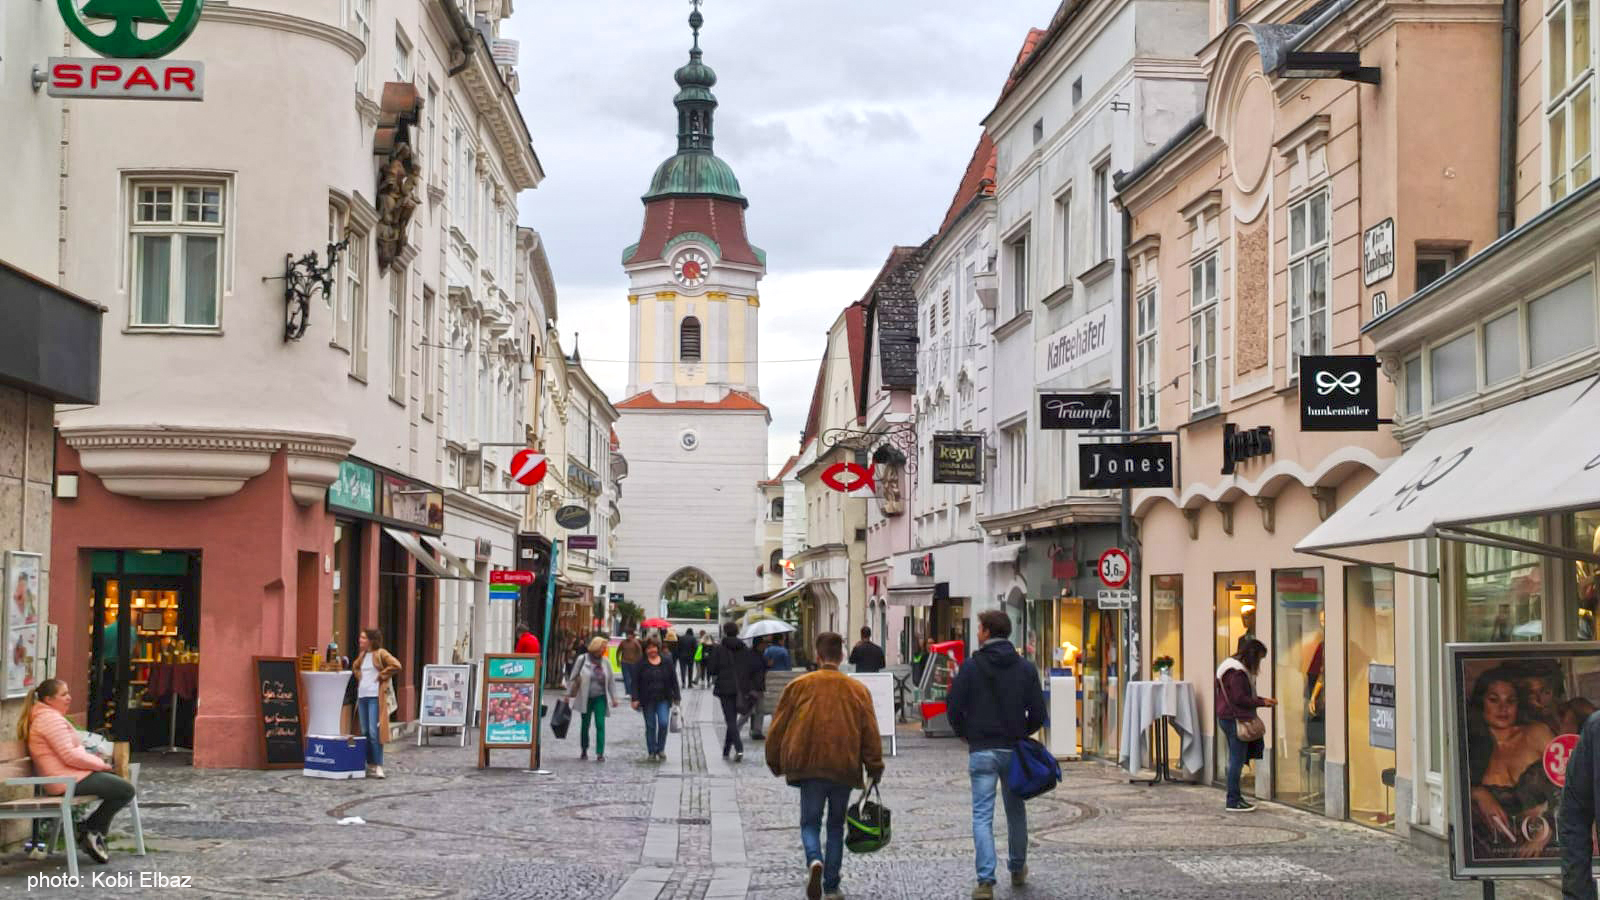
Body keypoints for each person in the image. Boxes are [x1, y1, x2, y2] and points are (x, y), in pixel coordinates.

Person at [765, 631, 884, 900]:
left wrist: (775, 759)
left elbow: (778, 727)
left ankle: (814, 860)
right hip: (843, 766)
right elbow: (870, 732)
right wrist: (874, 766)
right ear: (842, 657)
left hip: (809, 766)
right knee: (835, 826)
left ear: (818, 656)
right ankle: (831, 886)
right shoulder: (857, 690)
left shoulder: (799, 686)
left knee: (809, 822)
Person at [947, 610, 1046, 900]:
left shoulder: (970, 667)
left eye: (979, 628)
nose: (977, 633)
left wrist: (966, 732)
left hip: (982, 749)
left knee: (981, 815)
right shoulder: (1025, 668)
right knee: (1016, 811)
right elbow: (1039, 713)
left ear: (988, 632)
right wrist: (1021, 731)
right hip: (1014, 748)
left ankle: (985, 881)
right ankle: (1017, 867)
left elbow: (953, 707)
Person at [19, 679, 137, 864]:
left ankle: (91, 829)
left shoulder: (50, 717)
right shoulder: (49, 720)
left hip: (69, 777)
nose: (69, 698)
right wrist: (101, 765)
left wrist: (96, 764)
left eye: (68, 693)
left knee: (119, 786)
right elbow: (70, 755)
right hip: (64, 780)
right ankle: (90, 829)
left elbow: (72, 753)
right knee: (125, 790)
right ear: (49, 699)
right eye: (63, 694)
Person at [1468, 667, 1559, 859]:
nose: (1503, 708)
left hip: (1554, 843)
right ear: (1480, 703)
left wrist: (1548, 829)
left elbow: (1576, 782)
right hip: (1503, 853)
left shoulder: (1536, 733)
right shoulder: (1472, 747)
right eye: (1494, 700)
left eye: (1511, 700)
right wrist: (1477, 792)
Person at [1215, 636, 1276, 813]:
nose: (1259, 665)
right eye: (1260, 659)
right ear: (1253, 656)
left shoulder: (1229, 666)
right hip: (1234, 718)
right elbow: (1239, 698)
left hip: (1226, 716)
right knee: (1236, 760)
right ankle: (1233, 799)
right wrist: (1262, 702)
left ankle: (1235, 797)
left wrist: (1262, 700)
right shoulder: (1237, 672)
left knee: (1235, 758)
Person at [351, 628, 402, 779]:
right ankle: (369, 764)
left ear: (371, 640)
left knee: (375, 732)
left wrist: (382, 675)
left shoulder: (381, 653)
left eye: (363, 638)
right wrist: (359, 675)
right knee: (365, 731)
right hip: (362, 696)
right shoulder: (362, 655)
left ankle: (379, 765)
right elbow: (355, 667)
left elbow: (396, 665)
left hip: (375, 697)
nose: (360, 640)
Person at [566, 636, 619, 761]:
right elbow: (573, 677)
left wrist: (614, 698)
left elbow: (611, 680)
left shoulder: (605, 661)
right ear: (596, 647)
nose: (604, 650)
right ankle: (584, 749)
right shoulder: (582, 659)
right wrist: (568, 695)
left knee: (600, 724)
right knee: (585, 724)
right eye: (603, 648)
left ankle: (600, 753)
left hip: (600, 697)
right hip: (586, 697)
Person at [707, 622, 753, 761]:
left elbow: (712, 669)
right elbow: (749, 668)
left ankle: (739, 748)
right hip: (741, 687)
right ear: (737, 632)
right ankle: (726, 750)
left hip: (725, 687)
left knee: (730, 719)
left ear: (725, 632)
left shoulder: (719, 649)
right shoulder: (744, 648)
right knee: (732, 719)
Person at [632, 637, 681, 762]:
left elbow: (673, 679)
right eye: (649, 648)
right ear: (645, 650)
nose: (651, 650)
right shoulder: (641, 663)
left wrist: (677, 696)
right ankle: (652, 751)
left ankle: (660, 748)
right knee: (650, 725)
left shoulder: (667, 661)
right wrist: (635, 698)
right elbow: (635, 682)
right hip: (647, 699)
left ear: (658, 648)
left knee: (664, 723)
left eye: (653, 647)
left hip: (663, 698)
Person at [740, 636, 769, 741]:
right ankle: (735, 730)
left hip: (760, 686)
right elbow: (746, 673)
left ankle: (757, 731)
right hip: (753, 687)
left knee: (760, 710)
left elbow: (763, 667)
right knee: (747, 711)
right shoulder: (750, 655)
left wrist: (768, 664)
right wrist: (749, 689)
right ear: (758, 644)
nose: (765, 646)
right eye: (764, 644)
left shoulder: (761, 655)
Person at [617, 629, 644, 698]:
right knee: (626, 678)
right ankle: (628, 692)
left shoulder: (635, 643)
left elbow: (640, 652)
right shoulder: (623, 642)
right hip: (624, 662)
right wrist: (618, 660)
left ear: (632, 636)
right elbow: (618, 651)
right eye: (627, 635)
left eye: (629, 635)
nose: (628, 636)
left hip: (634, 663)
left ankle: (632, 691)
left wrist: (639, 660)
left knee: (633, 678)